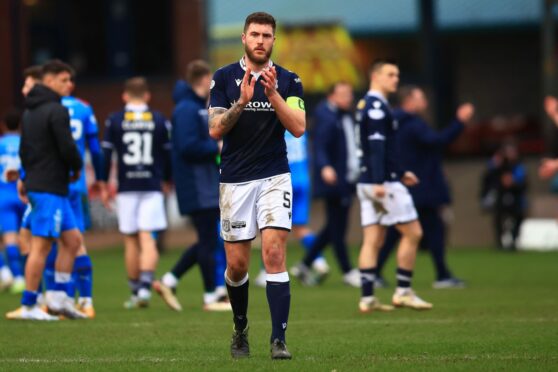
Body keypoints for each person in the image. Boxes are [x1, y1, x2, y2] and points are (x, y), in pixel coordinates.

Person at [208, 12, 305, 360]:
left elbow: (298, 127)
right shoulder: (224, 78)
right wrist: (243, 101)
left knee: (275, 253)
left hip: (274, 174)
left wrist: (273, 94)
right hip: (234, 179)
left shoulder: (290, 80)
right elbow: (215, 129)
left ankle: (278, 340)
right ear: (244, 38)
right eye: (255, 34)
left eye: (267, 35)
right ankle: (240, 327)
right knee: (237, 265)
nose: (260, 40)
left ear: (274, 40)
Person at [6, 60, 85, 320]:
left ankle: (58, 298)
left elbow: (24, 150)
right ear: (49, 81)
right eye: (64, 80)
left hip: (50, 186)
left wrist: (26, 178)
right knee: (40, 247)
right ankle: (29, 304)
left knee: (72, 241)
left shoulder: (30, 111)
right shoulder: (56, 110)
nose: (69, 85)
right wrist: (76, 166)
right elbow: (67, 148)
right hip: (49, 187)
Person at [375, 86, 474, 288]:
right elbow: (438, 141)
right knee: (430, 229)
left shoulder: (394, 122)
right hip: (420, 187)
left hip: (407, 185)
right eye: (421, 98)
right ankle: (441, 275)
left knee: (398, 231)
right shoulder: (413, 124)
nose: (425, 102)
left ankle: (374, 272)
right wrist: (459, 121)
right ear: (409, 100)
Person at [355, 59, 432, 313]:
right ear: (375, 76)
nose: (395, 79)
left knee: (373, 238)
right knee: (414, 233)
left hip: (368, 180)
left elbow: (379, 148)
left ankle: (367, 298)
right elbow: (376, 146)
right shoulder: (377, 106)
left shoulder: (366, 103)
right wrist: (381, 180)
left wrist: (400, 172)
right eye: (390, 74)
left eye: (397, 74)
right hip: (381, 182)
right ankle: (403, 291)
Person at [153, 60, 231, 312]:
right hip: (195, 184)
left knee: (209, 240)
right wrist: (215, 147)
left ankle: (170, 280)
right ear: (205, 80)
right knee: (209, 240)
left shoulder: (196, 107)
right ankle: (210, 296)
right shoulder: (186, 109)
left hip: (205, 182)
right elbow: (186, 147)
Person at [100, 77, 171, 309]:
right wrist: (168, 180)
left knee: (131, 240)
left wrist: (102, 184)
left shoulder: (115, 120)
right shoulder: (160, 120)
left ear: (125, 96)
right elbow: (168, 154)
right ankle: (144, 288)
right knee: (148, 237)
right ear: (147, 96)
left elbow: (106, 155)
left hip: (127, 187)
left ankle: (135, 291)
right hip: (152, 186)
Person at [291, 82, 360, 287]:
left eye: (350, 93)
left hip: (346, 178)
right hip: (333, 179)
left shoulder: (345, 115)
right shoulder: (326, 116)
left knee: (333, 227)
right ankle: (347, 271)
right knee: (337, 227)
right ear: (331, 96)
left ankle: (304, 264)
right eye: (343, 94)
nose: (349, 98)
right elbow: (319, 145)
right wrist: (325, 166)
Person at [255, 128, 330, 288]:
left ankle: (265, 272)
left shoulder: (274, 128)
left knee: (268, 225)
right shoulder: (298, 127)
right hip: (303, 179)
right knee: (301, 228)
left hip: (283, 180)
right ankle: (318, 260)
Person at [481, 141, 527, 250]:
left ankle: (514, 241)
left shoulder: (519, 166)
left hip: (515, 196)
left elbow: (524, 183)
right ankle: (500, 242)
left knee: (517, 218)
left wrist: (513, 183)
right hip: (501, 196)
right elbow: (488, 180)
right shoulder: (497, 166)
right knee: (498, 218)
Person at [0, 109, 26, 294]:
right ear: (20, 126)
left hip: (4, 197)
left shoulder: (0, 145)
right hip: (24, 194)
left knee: (9, 237)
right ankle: (27, 277)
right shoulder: (26, 143)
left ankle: (13, 275)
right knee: (27, 238)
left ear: (3, 126)